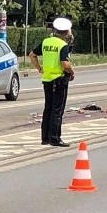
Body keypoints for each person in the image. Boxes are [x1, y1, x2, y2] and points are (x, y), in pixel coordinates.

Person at [29, 17, 75, 147]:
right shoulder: (62, 45)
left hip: (47, 79)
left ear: (54, 30)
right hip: (59, 80)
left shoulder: (46, 42)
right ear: (66, 32)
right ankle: (55, 138)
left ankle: (45, 138)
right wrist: (72, 72)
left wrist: (39, 68)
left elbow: (32, 54)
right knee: (57, 110)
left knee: (48, 108)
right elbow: (65, 64)